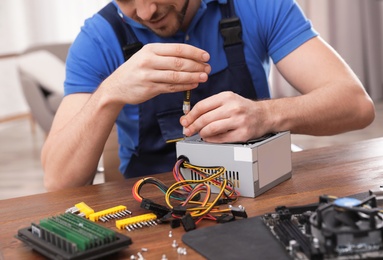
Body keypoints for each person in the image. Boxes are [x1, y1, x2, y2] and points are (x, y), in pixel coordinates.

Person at [41, 0, 375, 191]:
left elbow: (356, 105)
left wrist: (266, 115)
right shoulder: (98, 37)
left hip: (256, 193)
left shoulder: (258, 5)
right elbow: (58, 182)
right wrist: (109, 93)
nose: (146, 11)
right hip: (154, 202)